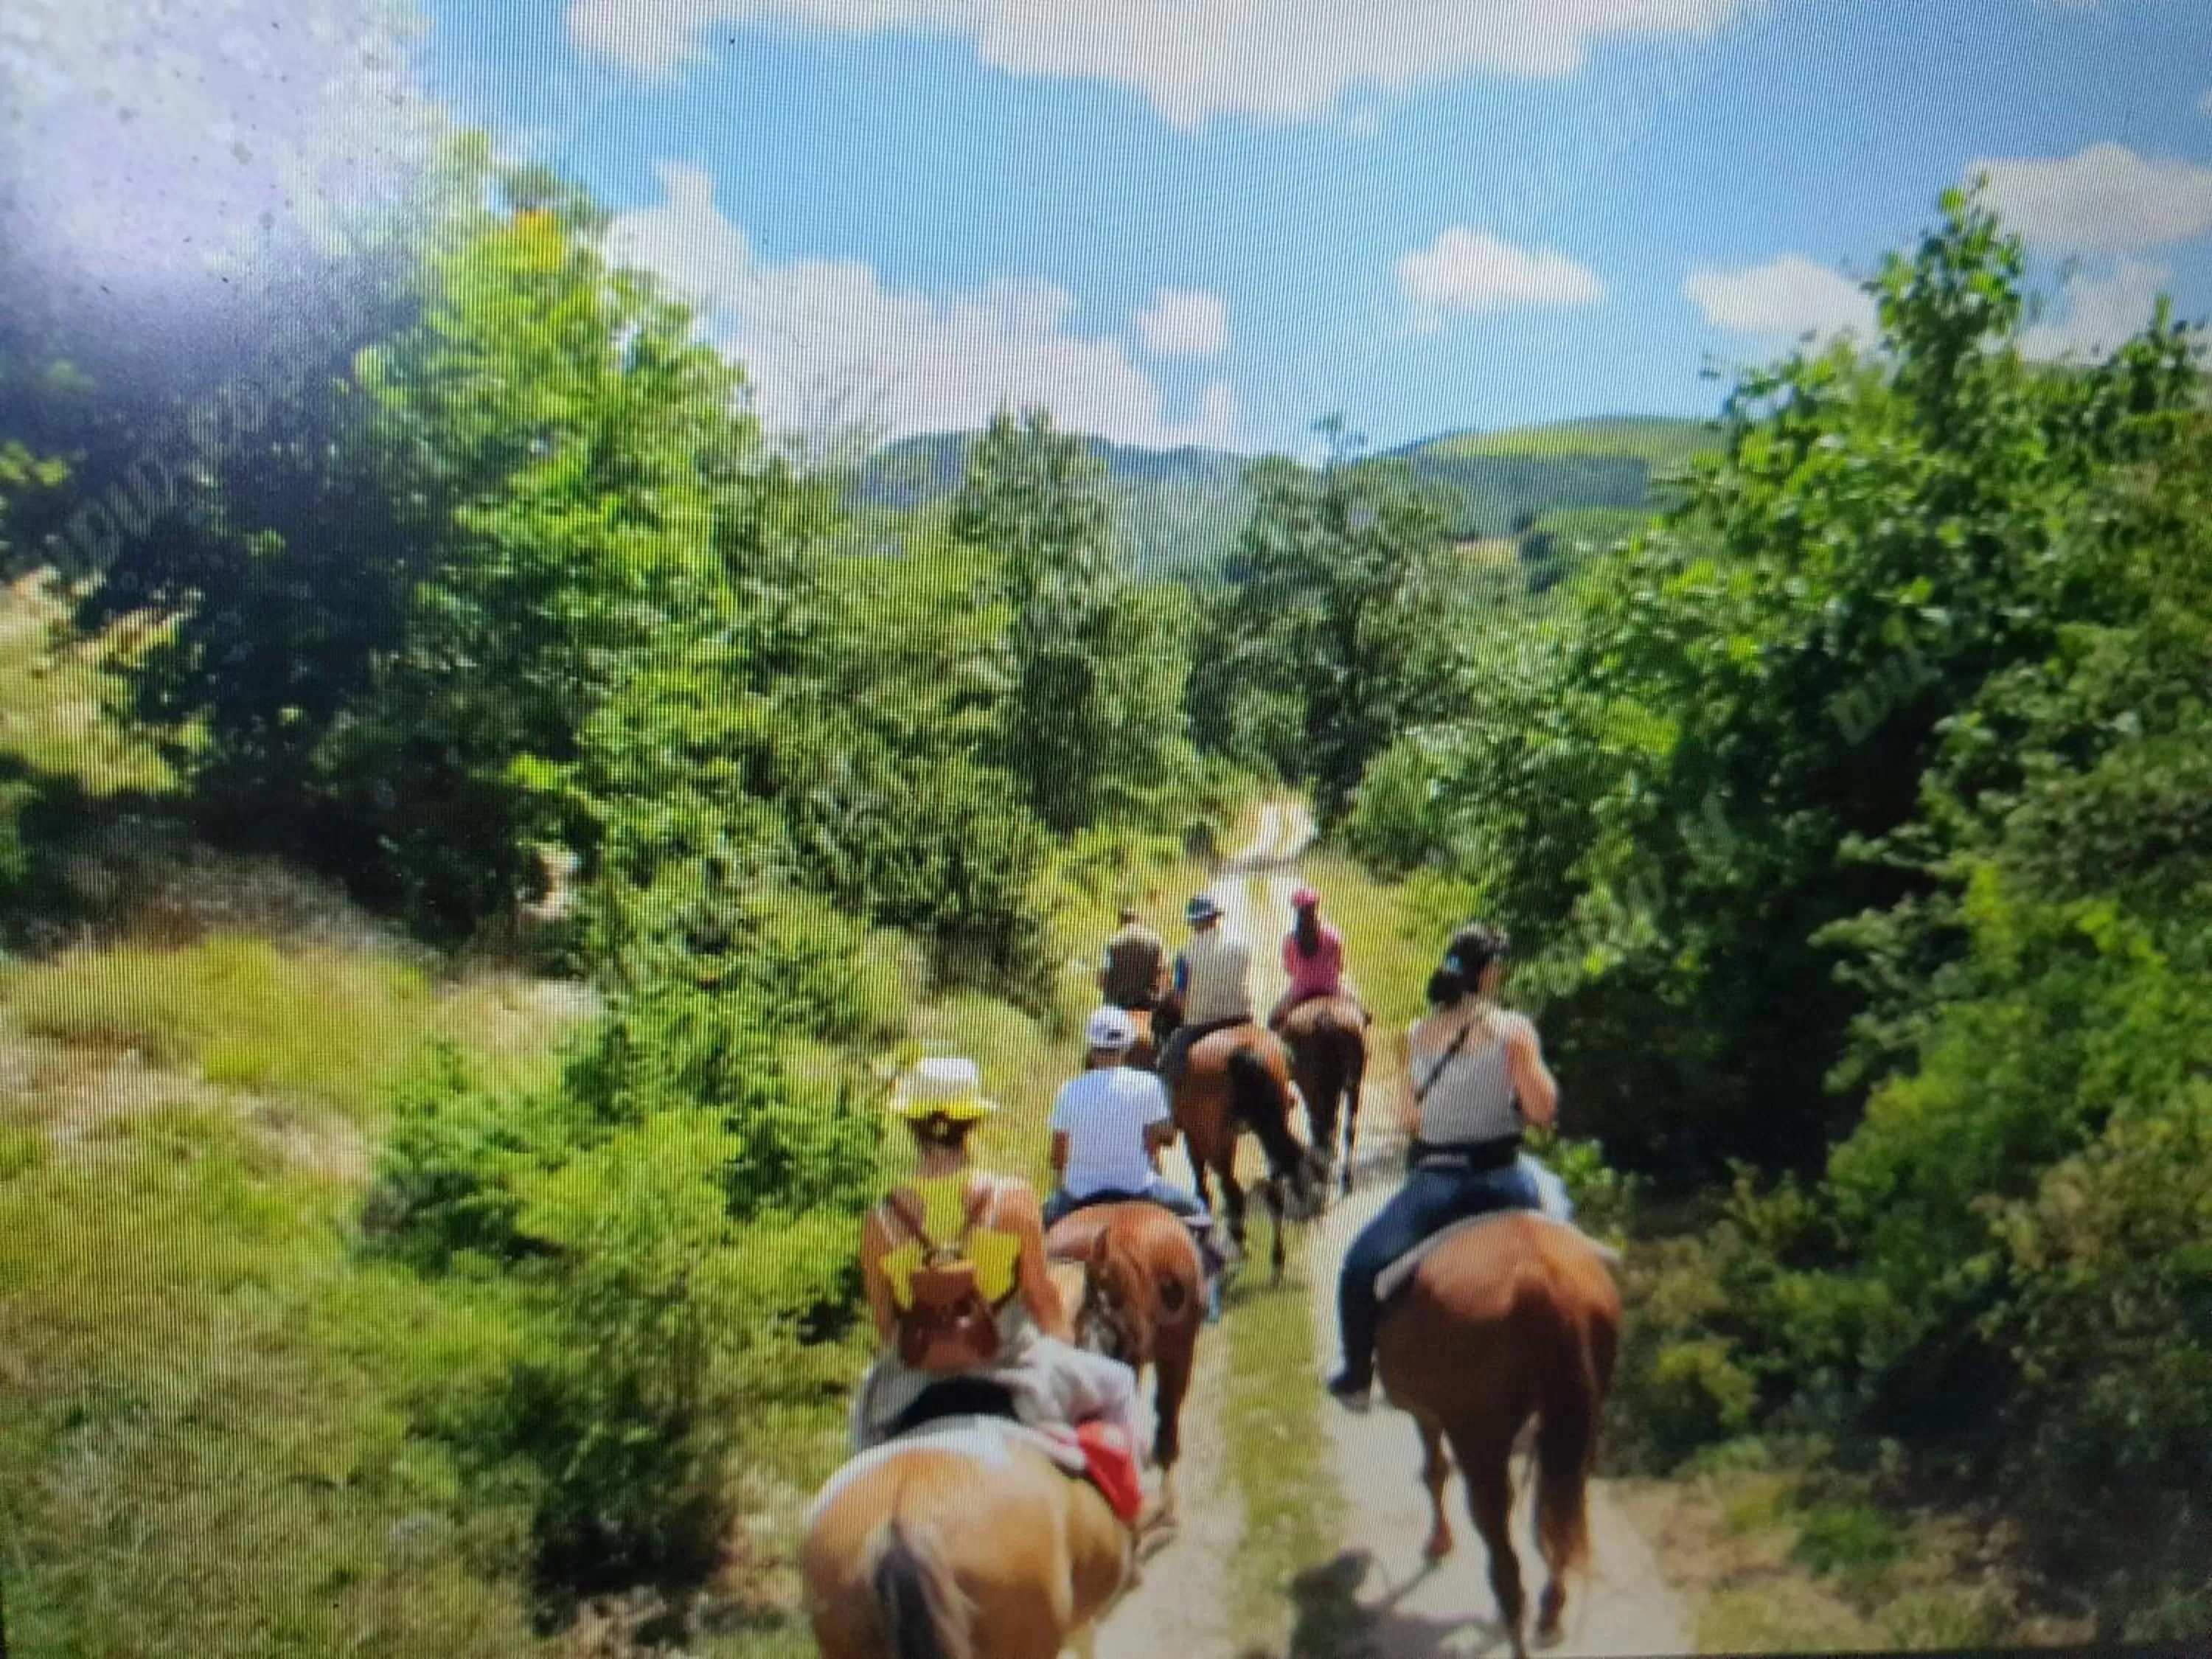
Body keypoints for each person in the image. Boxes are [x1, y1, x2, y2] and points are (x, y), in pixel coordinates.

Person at [852, 1056, 1144, 1454]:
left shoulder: (880, 1222)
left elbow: (886, 1325)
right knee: (1120, 1387)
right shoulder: (1011, 1201)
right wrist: (1064, 1344)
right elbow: (1041, 1296)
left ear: (911, 1126)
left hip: (916, 1379)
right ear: (972, 1125)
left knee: (860, 1431)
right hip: (1010, 1364)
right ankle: (1132, 1506)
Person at [1324, 924, 1556, 1411]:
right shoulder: (1514, 1031)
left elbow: (1410, 1120)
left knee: (1360, 1266)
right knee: (1563, 1257)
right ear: (1489, 972)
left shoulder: (1416, 1033)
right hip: (1503, 1180)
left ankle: (1357, 1378)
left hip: (1438, 1183)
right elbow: (1541, 1109)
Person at [1045, 1006, 1231, 1315]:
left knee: (1033, 1238)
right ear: (1128, 1046)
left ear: (1091, 1047)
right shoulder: (1147, 1085)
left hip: (1079, 1195)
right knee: (1200, 1215)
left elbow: (1057, 1157)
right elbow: (1167, 1136)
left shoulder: (1068, 1091)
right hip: (1138, 1187)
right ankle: (1209, 1302)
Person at [1154, 892, 1255, 1090]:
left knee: (1165, 1068)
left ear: (1194, 923)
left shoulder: (1185, 955)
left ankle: (1168, 1111)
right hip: (1242, 1018)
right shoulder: (1241, 945)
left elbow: (1180, 999)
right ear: (1216, 917)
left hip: (1201, 1024)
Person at [1265, 886, 1366, 1030]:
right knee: (1360, 1011)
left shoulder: (1290, 940)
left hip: (1300, 992)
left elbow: (1290, 971)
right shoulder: (1332, 935)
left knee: (1272, 1020)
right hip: (1332, 988)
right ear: (1316, 908)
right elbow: (1340, 967)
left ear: (1296, 912)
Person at [1098, 907, 1169, 1012]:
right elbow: (1164, 972)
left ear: (1121, 922)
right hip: (1148, 1004)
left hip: (1118, 1006)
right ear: (1138, 920)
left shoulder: (1112, 944)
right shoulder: (1155, 941)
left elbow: (1102, 978)